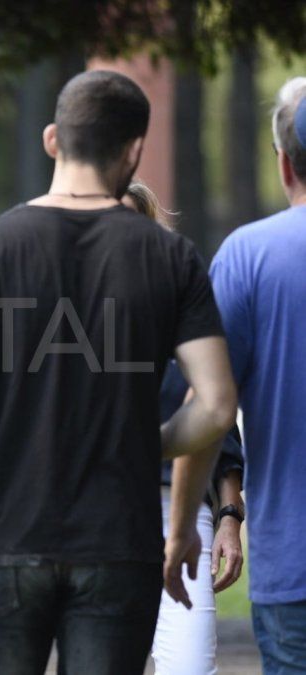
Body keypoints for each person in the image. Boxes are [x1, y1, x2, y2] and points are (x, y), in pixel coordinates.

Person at [0, 70, 238, 675]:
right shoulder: (168, 255)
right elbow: (215, 406)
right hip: (121, 541)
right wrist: (150, 452)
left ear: (52, 139)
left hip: (11, 538)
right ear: (135, 149)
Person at [123, 182, 245, 675]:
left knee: (190, 665)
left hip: (181, 504)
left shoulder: (185, 312)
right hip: (97, 510)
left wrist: (230, 517)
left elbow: (221, 425)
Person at [210, 78, 306, 673]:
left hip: (294, 561)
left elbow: (212, 403)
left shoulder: (247, 255)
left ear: (284, 162)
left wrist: (222, 514)